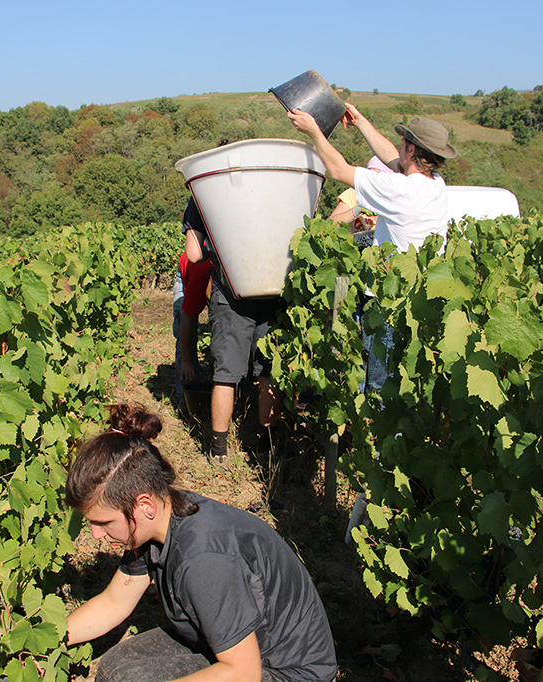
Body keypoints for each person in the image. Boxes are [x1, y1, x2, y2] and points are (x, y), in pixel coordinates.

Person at [65, 404, 337, 682]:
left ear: (143, 505)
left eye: (103, 523)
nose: (96, 535)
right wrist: (42, 640)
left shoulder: (203, 558)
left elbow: (244, 673)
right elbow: (113, 603)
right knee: (113, 668)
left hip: (285, 672)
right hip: (236, 646)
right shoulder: (158, 517)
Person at [289, 105, 456, 392]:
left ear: (413, 151)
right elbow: (393, 157)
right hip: (417, 303)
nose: (399, 149)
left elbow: (339, 170)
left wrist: (313, 131)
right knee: (402, 386)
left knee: (380, 387)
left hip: (389, 306)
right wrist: (360, 122)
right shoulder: (435, 185)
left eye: (405, 144)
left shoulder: (400, 190)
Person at [183, 197, 285, 467]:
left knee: (226, 376)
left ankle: (219, 450)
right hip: (273, 286)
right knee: (268, 374)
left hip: (231, 292)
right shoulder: (271, 181)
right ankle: (267, 447)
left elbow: (193, 254)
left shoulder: (205, 190)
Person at [171, 252, 212, 401]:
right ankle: (185, 394)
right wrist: (187, 362)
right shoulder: (201, 275)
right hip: (187, 272)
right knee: (184, 333)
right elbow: (187, 319)